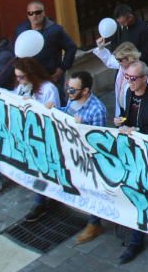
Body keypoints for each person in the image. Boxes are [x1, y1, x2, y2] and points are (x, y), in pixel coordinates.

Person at [26, 71, 108, 241]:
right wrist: (55, 110)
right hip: (67, 151)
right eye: (68, 88)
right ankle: (41, 201)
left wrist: (82, 128)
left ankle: (94, 223)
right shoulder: (73, 99)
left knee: (91, 190)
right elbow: (66, 112)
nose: (68, 92)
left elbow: (97, 142)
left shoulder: (97, 110)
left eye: (73, 89)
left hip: (84, 159)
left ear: (85, 91)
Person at [0, 57, 60, 198]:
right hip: (24, 131)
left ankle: (43, 197)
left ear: (32, 75)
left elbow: (54, 114)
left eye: (21, 77)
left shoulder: (48, 89)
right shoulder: (21, 87)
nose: (19, 81)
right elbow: (12, 98)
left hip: (40, 135)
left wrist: (33, 105)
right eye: (17, 77)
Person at [113, 60, 148, 264]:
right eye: (127, 77)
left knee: (142, 196)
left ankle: (137, 240)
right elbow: (128, 117)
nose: (130, 82)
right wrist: (122, 122)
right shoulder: (129, 93)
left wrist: (139, 132)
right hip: (131, 151)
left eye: (133, 78)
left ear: (144, 78)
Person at [13, 1, 77, 99]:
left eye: (37, 12)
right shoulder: (21, 30)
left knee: (55, 103)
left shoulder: (55, 30)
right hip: (29, 77)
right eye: (30, 13)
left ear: (43, 13)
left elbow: (71, 47)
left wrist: (61, 69)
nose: (34, 16)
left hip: (50, 76)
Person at [93, 40, 141, 116]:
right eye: (117, 59)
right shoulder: (122, 65)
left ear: (129, 58)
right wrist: (101, 48)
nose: (118, 62)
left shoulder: (141, 72)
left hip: (134, 113)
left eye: (120, 60)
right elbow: (109, 59)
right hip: (122, 110)